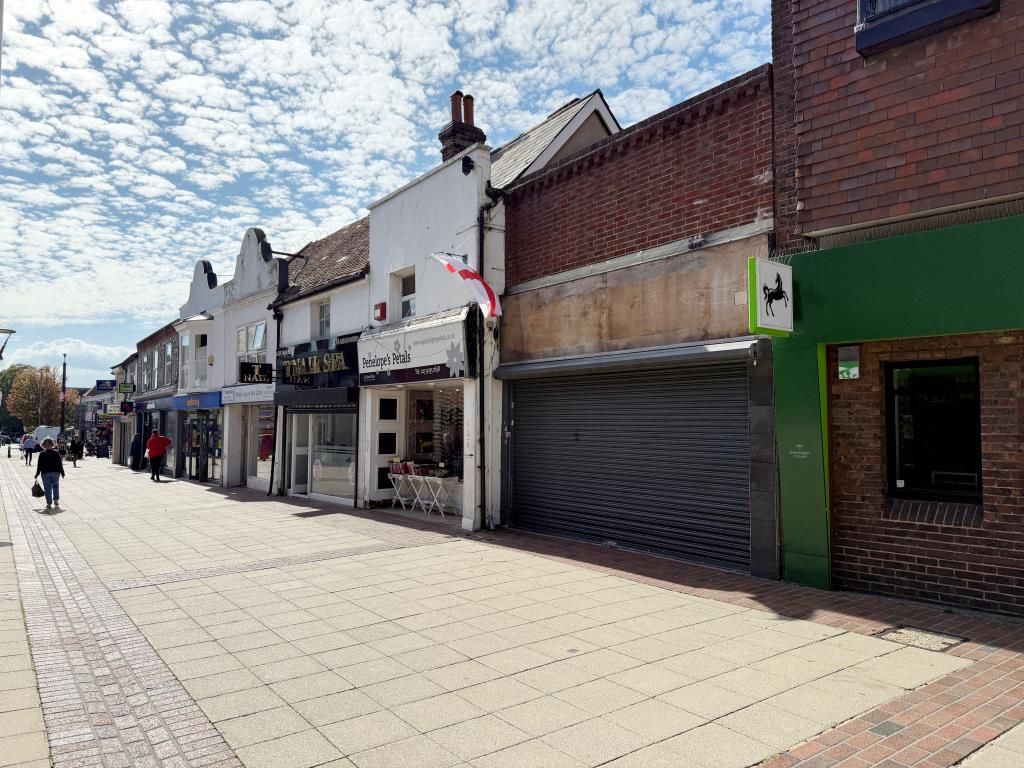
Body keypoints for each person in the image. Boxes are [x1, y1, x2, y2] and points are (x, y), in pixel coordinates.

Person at [34, 437, 65, 510]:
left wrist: (37, 474)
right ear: (52, 444)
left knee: (47, 489)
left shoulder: (42, 454)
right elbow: (60, 463)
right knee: (55, 486)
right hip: (55, 472)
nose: (47, 445)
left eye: (47, 444)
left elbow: (39, 465)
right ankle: (56, 500)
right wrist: (62, 472)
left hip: (45, 473)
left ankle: (49, 503)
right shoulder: (56, 453)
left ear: (43, 445)